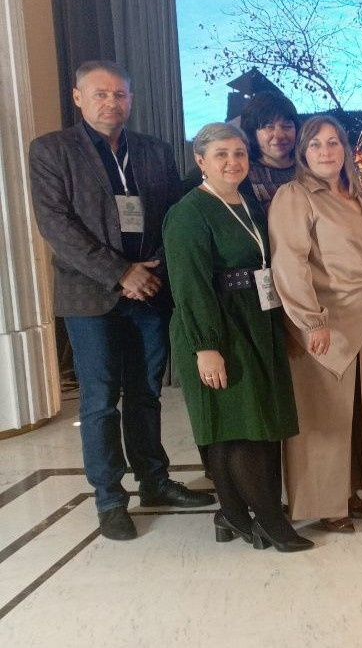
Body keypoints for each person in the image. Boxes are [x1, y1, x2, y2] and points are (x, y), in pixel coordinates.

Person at [28, 59, 213, 541]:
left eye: (120, 94)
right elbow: (56, 227)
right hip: (91, 296)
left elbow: (172, 214)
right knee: (100, 400)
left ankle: (154, 481)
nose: (112, 102)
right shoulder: (51, 151)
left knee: (146, 393)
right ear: (78, 98)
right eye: (101, 93)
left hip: (149, 291)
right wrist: (119, 273)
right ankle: (110, 498)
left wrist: (153, 268)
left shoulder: (153, 150)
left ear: (131, 99)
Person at [164, 123, 311, 552]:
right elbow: (190, 285)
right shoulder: (189, 212)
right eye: (222, 155)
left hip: (256, 319)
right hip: (218, 324)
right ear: (201, 161)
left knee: (246, 423)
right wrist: (207, 347)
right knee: (243, 425)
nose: (233, 162)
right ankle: (268, 520)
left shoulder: (246, 202)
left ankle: (231, 512)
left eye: (239, 153)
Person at [269, 116, 362, 533]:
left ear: (345, 149)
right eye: (316, 144)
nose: (326, 151)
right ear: (303, 151)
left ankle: (356, 492)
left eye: (333, 142)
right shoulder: (295, 195)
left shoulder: (357, 193)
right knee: (324, 416)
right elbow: (289, 262)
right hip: (324, 321)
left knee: (359, 412)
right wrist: (310, 319)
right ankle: (325, 504)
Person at [238, 91, 299, 210]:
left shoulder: (309, 165)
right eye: (269, 127)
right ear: (252, 132)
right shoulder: (243, 174)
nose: (279, 135)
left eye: (287, 126)